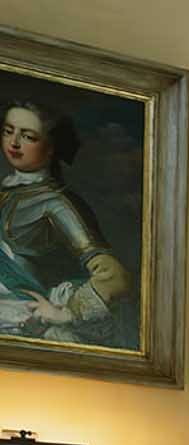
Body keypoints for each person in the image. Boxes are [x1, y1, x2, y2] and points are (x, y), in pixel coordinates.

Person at [0, 98, 134, 347]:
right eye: (9, 132)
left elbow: (115, 276)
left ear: (51, 147)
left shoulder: (56, 202)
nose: (14, 143)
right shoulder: (6, 192)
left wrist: (65, 313)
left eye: (28, 137)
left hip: (23, 322)